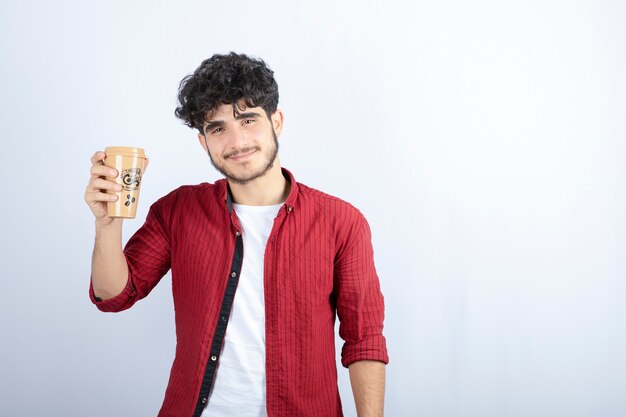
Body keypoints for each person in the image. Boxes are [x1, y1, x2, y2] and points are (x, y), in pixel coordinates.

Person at [84, 52, 389, 417]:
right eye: (217, 128)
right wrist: (108, 225)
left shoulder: (342, 222)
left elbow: (364, 341)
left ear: (277, 121)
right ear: (203, 142)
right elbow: (114, 293)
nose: (236, 140)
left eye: (248, 120)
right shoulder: (177, 211)